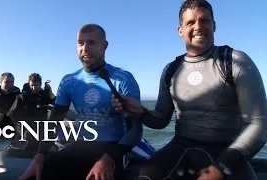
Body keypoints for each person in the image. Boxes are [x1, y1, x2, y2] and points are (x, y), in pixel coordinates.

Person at [112, 0, 267, 179]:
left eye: (205, 21)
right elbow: (161, 120)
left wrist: (218, 170)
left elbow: (259, 126)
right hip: (180, 147)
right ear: (180, 30)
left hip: (227, 153)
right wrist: (140, 112)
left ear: (214, 25)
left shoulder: (234, 61)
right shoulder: (171, 70)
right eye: (190, 23)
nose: (198, 27)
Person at [18, 23, 143, 180]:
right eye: (80, 43)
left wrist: (109, 158)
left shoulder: (123, 79)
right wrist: (40, 155)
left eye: (91, 42)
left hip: (114, 148)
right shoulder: (69, 81)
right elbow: (54, 120)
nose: (85, 48)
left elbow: (136, 129)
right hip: (82, 145)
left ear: (104, 46)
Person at [7, 73, 54, 156]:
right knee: (30, 137)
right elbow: (11, 114)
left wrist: (50, 93)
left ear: (40, 84)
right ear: (29, 84)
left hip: (41, 126)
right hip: (24, 127)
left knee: (50, 138)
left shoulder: (45, 95)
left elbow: (56, 103)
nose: (34, 88)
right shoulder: (22, 97)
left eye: (36, 85)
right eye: (32, 85)